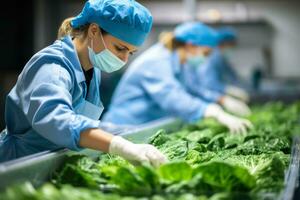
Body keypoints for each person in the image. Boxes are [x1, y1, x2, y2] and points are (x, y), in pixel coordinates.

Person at [0, 0, 167, 167]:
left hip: (51, 162)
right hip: (19, 163)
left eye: (130, 53)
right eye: (120, 48)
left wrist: (124, 135)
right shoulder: (53, 67)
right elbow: (57, 119)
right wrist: (118, 145)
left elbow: (80, 120)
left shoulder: (92, 70)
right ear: (94, 30)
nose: (124, 59)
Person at [103, 22, 253, 134]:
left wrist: (221, 100)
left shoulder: (182, 64)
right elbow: (172, 98)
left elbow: (193, 88)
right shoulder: (157, 61)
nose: (205, 59)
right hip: (121, 129)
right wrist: (211, 111)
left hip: (145, 128)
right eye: (205, 53)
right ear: (191, 45)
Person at [199, 27, 250, 103]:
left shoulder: (222, 58)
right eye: (231, 44)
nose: (233, 47)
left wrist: (241, 88)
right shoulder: (214, 58)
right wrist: (227, 90)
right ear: (223, 43)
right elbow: (209, 83)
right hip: (212, 99)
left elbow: (232, 76)